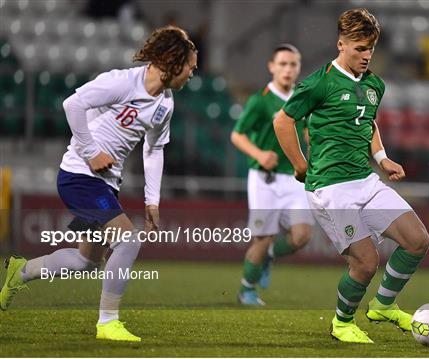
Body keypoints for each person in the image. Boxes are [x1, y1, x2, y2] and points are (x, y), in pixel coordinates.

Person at [0, 25, 197, 342]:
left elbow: (154, 148)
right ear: (173, 61)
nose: (191, 73)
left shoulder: (165, 104)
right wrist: (91, 153)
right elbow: (72, 105)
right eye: (190, 66)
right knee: (128, 241)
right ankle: (107, 323)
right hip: (79, 176)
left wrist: (152, 200)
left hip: (105, 184)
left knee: (86, 262)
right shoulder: (121, 82)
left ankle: (19, 272)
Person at [273, 9, 429, 343]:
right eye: (360, 48)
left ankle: (383, 306)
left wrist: (382, 158)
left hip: (365, 180)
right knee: (366, 262)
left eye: (370, 48)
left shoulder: (374, 85)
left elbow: (367, 121)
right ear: (341, 44)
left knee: (417, 241)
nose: (366, 55)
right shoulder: (319, 82)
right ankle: (342, 322)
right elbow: (283, 121)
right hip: (330, 188)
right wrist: (300, 165)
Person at [231, 44, 313, 306]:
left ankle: (269, 256)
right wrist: (259, 154)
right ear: (272, 66)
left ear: (298, 68)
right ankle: (247, 290)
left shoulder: (302, 99)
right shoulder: (261, 100)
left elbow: (306, 134)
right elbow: (237, 135)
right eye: (283, 64)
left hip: (294, 177)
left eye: (293, 64)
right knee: (263, 238)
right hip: (263, 178)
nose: (288, 69)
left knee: (302, 236)